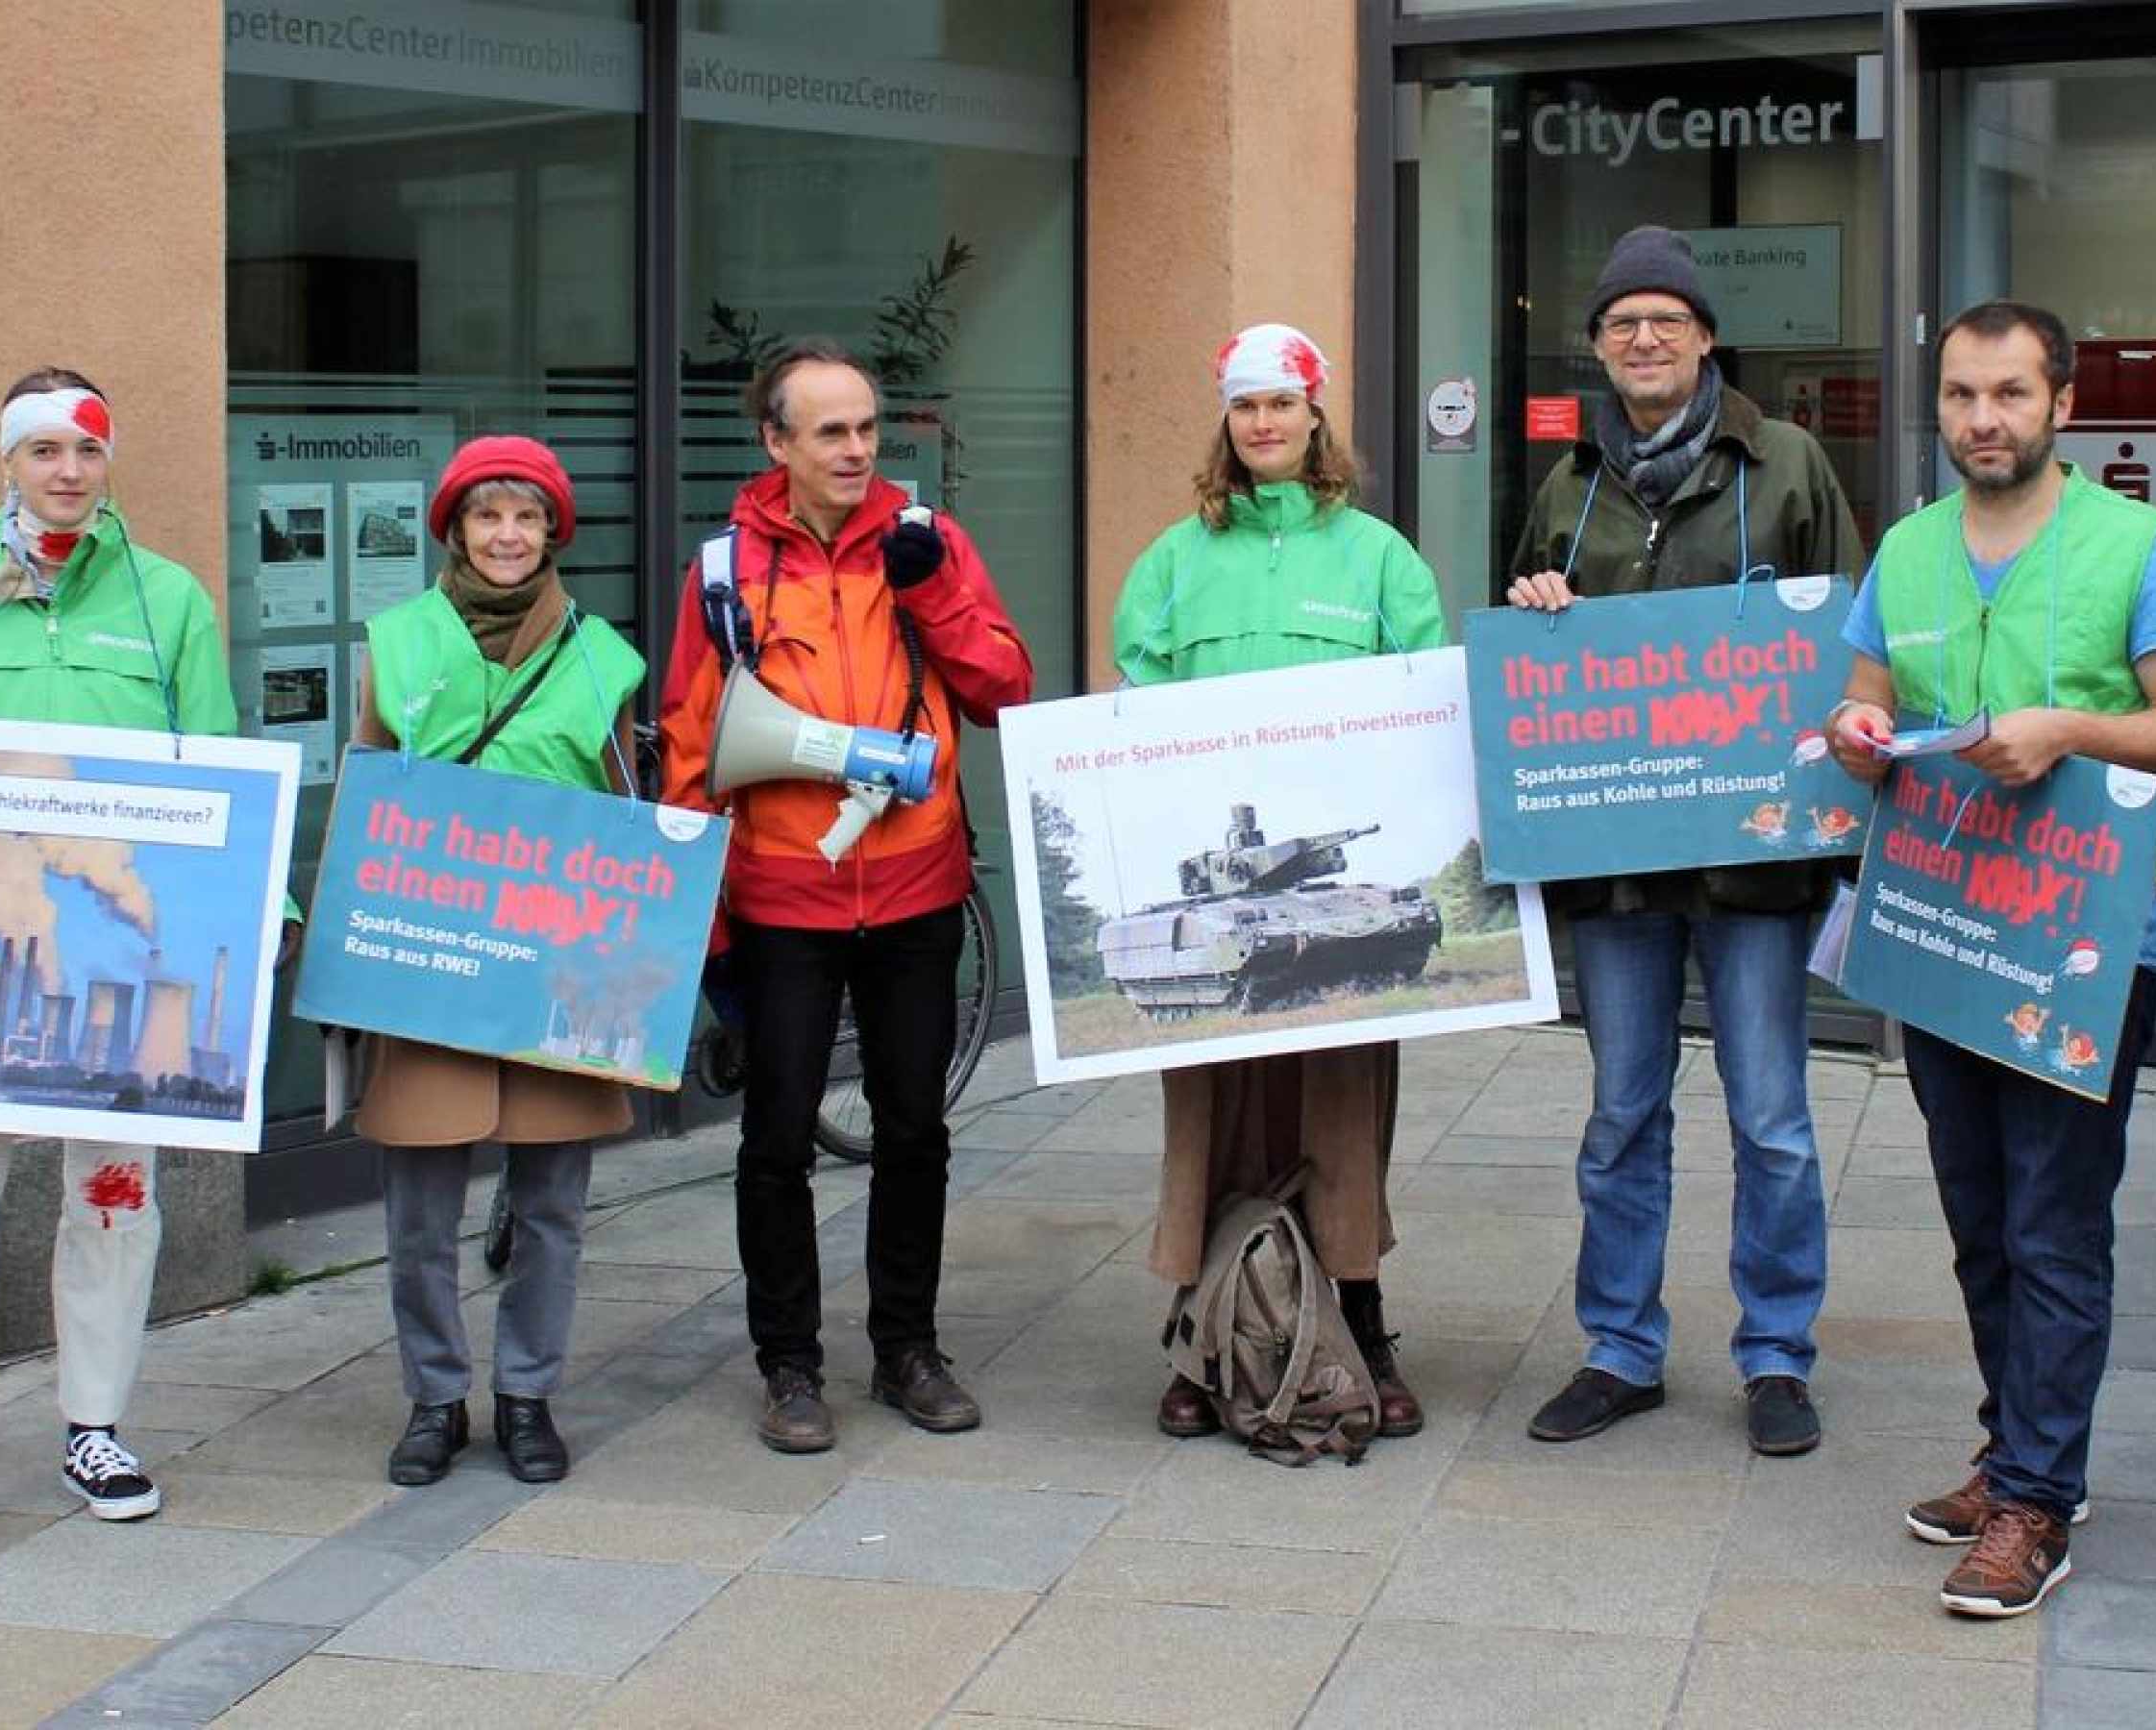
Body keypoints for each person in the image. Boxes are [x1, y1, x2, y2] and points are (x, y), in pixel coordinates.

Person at [1826, 299, 2156, 1619]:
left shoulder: (2137, 546)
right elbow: (1870, 695)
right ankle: (2017, 1455)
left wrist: (2063, 727)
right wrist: (1855, 727)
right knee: (1981, 1217)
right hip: (1947, 928)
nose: (1981, 420)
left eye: (2007, 394)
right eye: (1959, 396)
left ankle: (2038, 1499)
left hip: (2088, 943)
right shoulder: (1909, 549)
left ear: (2062, 402)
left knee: (2055, 1221)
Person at [0, 370, 260, 1575]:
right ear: (8, 466)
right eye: (44, 451)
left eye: (87, 449)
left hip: (119, 960)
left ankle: (95, 1427)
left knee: (115, 1202)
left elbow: (217, 760)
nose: (69, 471)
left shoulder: (165, 599)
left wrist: (257, 907)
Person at [1504, 225, 1864, 1458]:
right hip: (1619, 865)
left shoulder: (1790, 463)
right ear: (1598, 348)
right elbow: (1527, 664)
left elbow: (1851, 645)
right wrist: (1536, 608)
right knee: (1620, 1112)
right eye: (1618, 324)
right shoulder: (1567, 485)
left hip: (1755, 859)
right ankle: (1619, 1347)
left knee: (1770, 1115)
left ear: (1706, 337)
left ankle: (1774, 1355)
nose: (1641, 339)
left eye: (1664, 319)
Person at [661, 339, 1033, 1455]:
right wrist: (707, 912)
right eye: (830, 431)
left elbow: (1002, 685)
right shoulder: (724, 572)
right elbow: (693, 742)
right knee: (774, 1139)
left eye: (868, 427)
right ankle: (788, 1365)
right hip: (782, 898)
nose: (857, 450)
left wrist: (936, 599)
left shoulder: (927, 545)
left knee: (914, 1129)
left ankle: (907, 1349)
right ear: (775, 443)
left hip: (916, 889)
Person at [1113, 323, 1448, 1441]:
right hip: (1216, 892)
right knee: (1210, 1123)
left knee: (1341, 1116)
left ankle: (1359, 1320)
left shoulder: (1379, 559)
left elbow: (1421, 705)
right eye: (1244, 406)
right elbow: (1130, 702)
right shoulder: (1172, 560)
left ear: (1315, 417)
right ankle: (1200, 1338)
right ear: (1227, 420)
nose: (1263, 422)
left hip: (1322, 888)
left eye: (1282, 404)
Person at [354, 436, 643, 1488]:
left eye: (526, 516)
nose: (508, 536)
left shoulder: (603, 656)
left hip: (559, 969)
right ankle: (435, 1398)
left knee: (554, 1209)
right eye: (487, 516)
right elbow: (367, 800)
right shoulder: (395, 643)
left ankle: (527, 1394)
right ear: (454, 530)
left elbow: (624, 816)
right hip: (432, 963)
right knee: (419, 1216)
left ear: (553, 529)